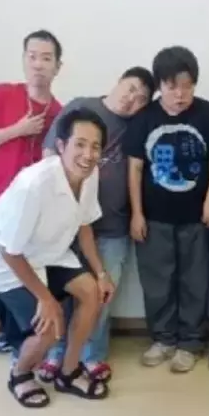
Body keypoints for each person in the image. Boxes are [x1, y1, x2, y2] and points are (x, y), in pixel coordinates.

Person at [0, 107, 116, 408]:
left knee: (92, 292)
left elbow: (85, 225)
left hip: (49, 252)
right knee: (50, 328)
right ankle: (20, 374)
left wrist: (102, 274)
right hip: (7, 263)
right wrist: (46, 298)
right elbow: (9, 250)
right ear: (61, 146)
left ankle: (69, 371)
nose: (88, 154)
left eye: (95, 146)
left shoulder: (89, 174)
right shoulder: (34, 184)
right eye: (80, 144)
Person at [36, 67, 155, 383]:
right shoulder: (82, 107)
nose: (132, 99)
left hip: (113, 226)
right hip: (66, 226)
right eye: (131, 88)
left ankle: (91, 355)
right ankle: (55, 352)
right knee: (62, 291)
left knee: (101, 296)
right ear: (119, 81)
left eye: (142, 98)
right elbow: (49, 153)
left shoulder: (137, 125)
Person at [125, 46, 209, 373]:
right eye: (172, 87)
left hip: (197, 218)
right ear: (159, 85)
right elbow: (134, 168)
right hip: (154, 218)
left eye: (187, 86)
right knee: (157, 282)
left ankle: (191, 342)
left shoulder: (208, 114)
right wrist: (137, 213)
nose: (180, 94)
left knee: (194, 281)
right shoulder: (144, 118)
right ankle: (163, 338)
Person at [0, 29, 63, 357]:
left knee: (23, 271)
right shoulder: (1, 94)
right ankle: (10, 332)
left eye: (46, 58)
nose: (38, 64)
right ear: (24, 60)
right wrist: (18, 130)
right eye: (32, 56)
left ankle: (19, 336)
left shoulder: (60, 112)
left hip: (31, 210)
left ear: (57, 66)